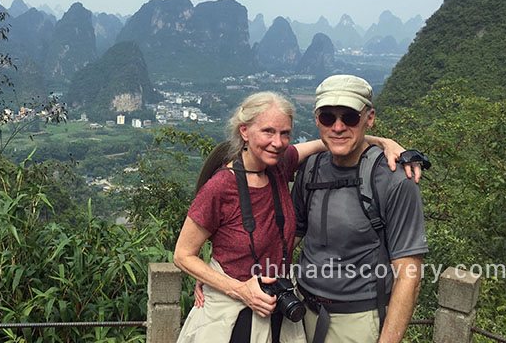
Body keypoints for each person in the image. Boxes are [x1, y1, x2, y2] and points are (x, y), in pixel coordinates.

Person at [174, 91, 420, 343]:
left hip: (279, 308)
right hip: (232, 314)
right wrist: (228, 285)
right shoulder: (220, 187)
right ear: (244, 131)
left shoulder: (280, 164)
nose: (278, 142)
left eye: (285, 134)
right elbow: (182, 255)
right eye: (268, 131)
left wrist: (385, 142)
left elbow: (335, 139)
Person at [292, 75, 428, 343]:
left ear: (369, 117)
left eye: (350, 117)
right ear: (317, 120)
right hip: (299, 312)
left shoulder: (394, 180)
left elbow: (409, 276)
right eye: (328, 117)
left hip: (357, 320)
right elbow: (289, 236)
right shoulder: (310, 169)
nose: (338, 126)